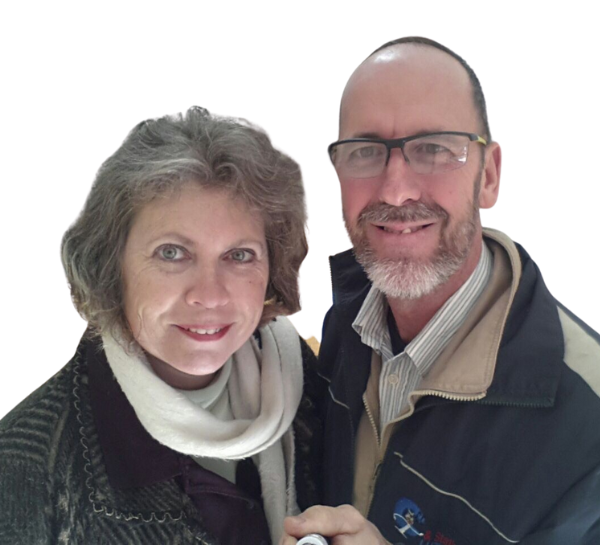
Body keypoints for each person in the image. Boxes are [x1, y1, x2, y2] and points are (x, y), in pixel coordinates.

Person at [283, 38, 600, 544]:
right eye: (364, 152)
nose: (395, 191)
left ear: (488, 175)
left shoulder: (586, 423)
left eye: (433, 149)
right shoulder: (346, 322)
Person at [0, 107, 323, 545]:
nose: (210, 295)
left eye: (240, 255)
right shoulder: (23, 470)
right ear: (111, 266)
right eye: (172, 253)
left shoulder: (312, 384)